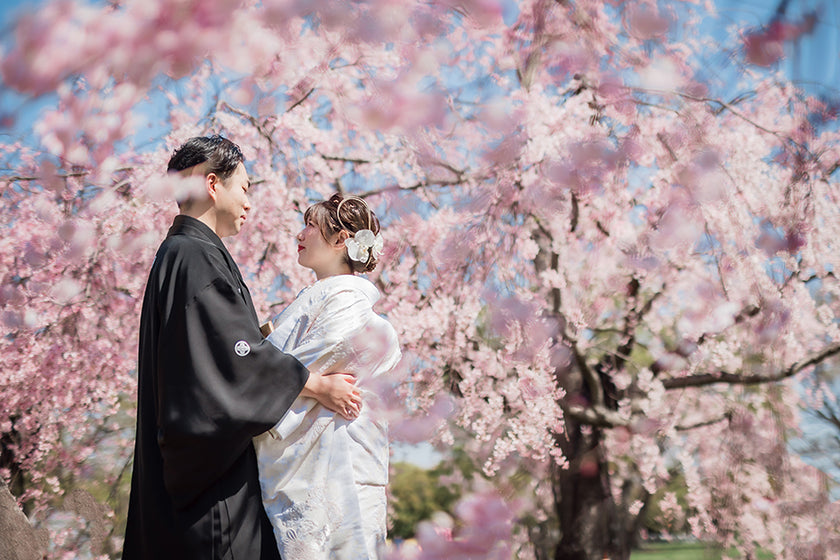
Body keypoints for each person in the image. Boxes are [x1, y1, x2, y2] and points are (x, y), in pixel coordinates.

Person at [122, 136, 362, 560]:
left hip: (189, 480)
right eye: (245, 188)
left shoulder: (183, 254)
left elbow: (222, 346)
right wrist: (317, 385)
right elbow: (235, 357)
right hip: (212, 495)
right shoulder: (193, 255)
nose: (249, 203)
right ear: (213, 184)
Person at [255, 194, 401, 560]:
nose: (299, 234)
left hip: (340, 462)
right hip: (330, 458)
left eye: (310, 226)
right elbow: (282, 365)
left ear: (340, 240)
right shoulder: (324, 296)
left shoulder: (347, 301)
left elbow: (271, 370)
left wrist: (261, 360)